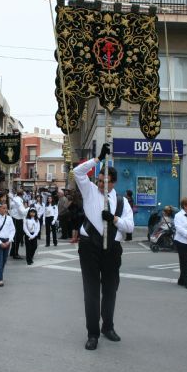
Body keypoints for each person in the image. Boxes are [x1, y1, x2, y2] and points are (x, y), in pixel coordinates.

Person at [73, 143, 134, 351]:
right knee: (91, 291)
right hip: (89, 246)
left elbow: (130, 226)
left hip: (112, 249)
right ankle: (93, 333)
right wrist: (97, 159)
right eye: (98, 180)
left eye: (104, 182)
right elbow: (77, 172)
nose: (100, 184)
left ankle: (108, 326)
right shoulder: (89, 190)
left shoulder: (122, 202)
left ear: (113, 182)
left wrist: (115, 219)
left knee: (110, 290)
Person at [0, 202, 15, 286]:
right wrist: (0, 243)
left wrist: (9, 240)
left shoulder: (9, 218)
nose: (5, 210)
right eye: (3, 208)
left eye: (6, 208)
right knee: (0, 260)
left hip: (7, 241)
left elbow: (12, 230)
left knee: (4, 260)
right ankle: (0, 279)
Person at [9, 190, 26, 259]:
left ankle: (12, 251)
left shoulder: (15, 199)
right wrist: (28, 209)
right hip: (17, 219)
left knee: (15, 236)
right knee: (17, 237)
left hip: (15, 218)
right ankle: (15, 254)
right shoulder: (19, 201)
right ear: (22, 195)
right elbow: (22, 212)